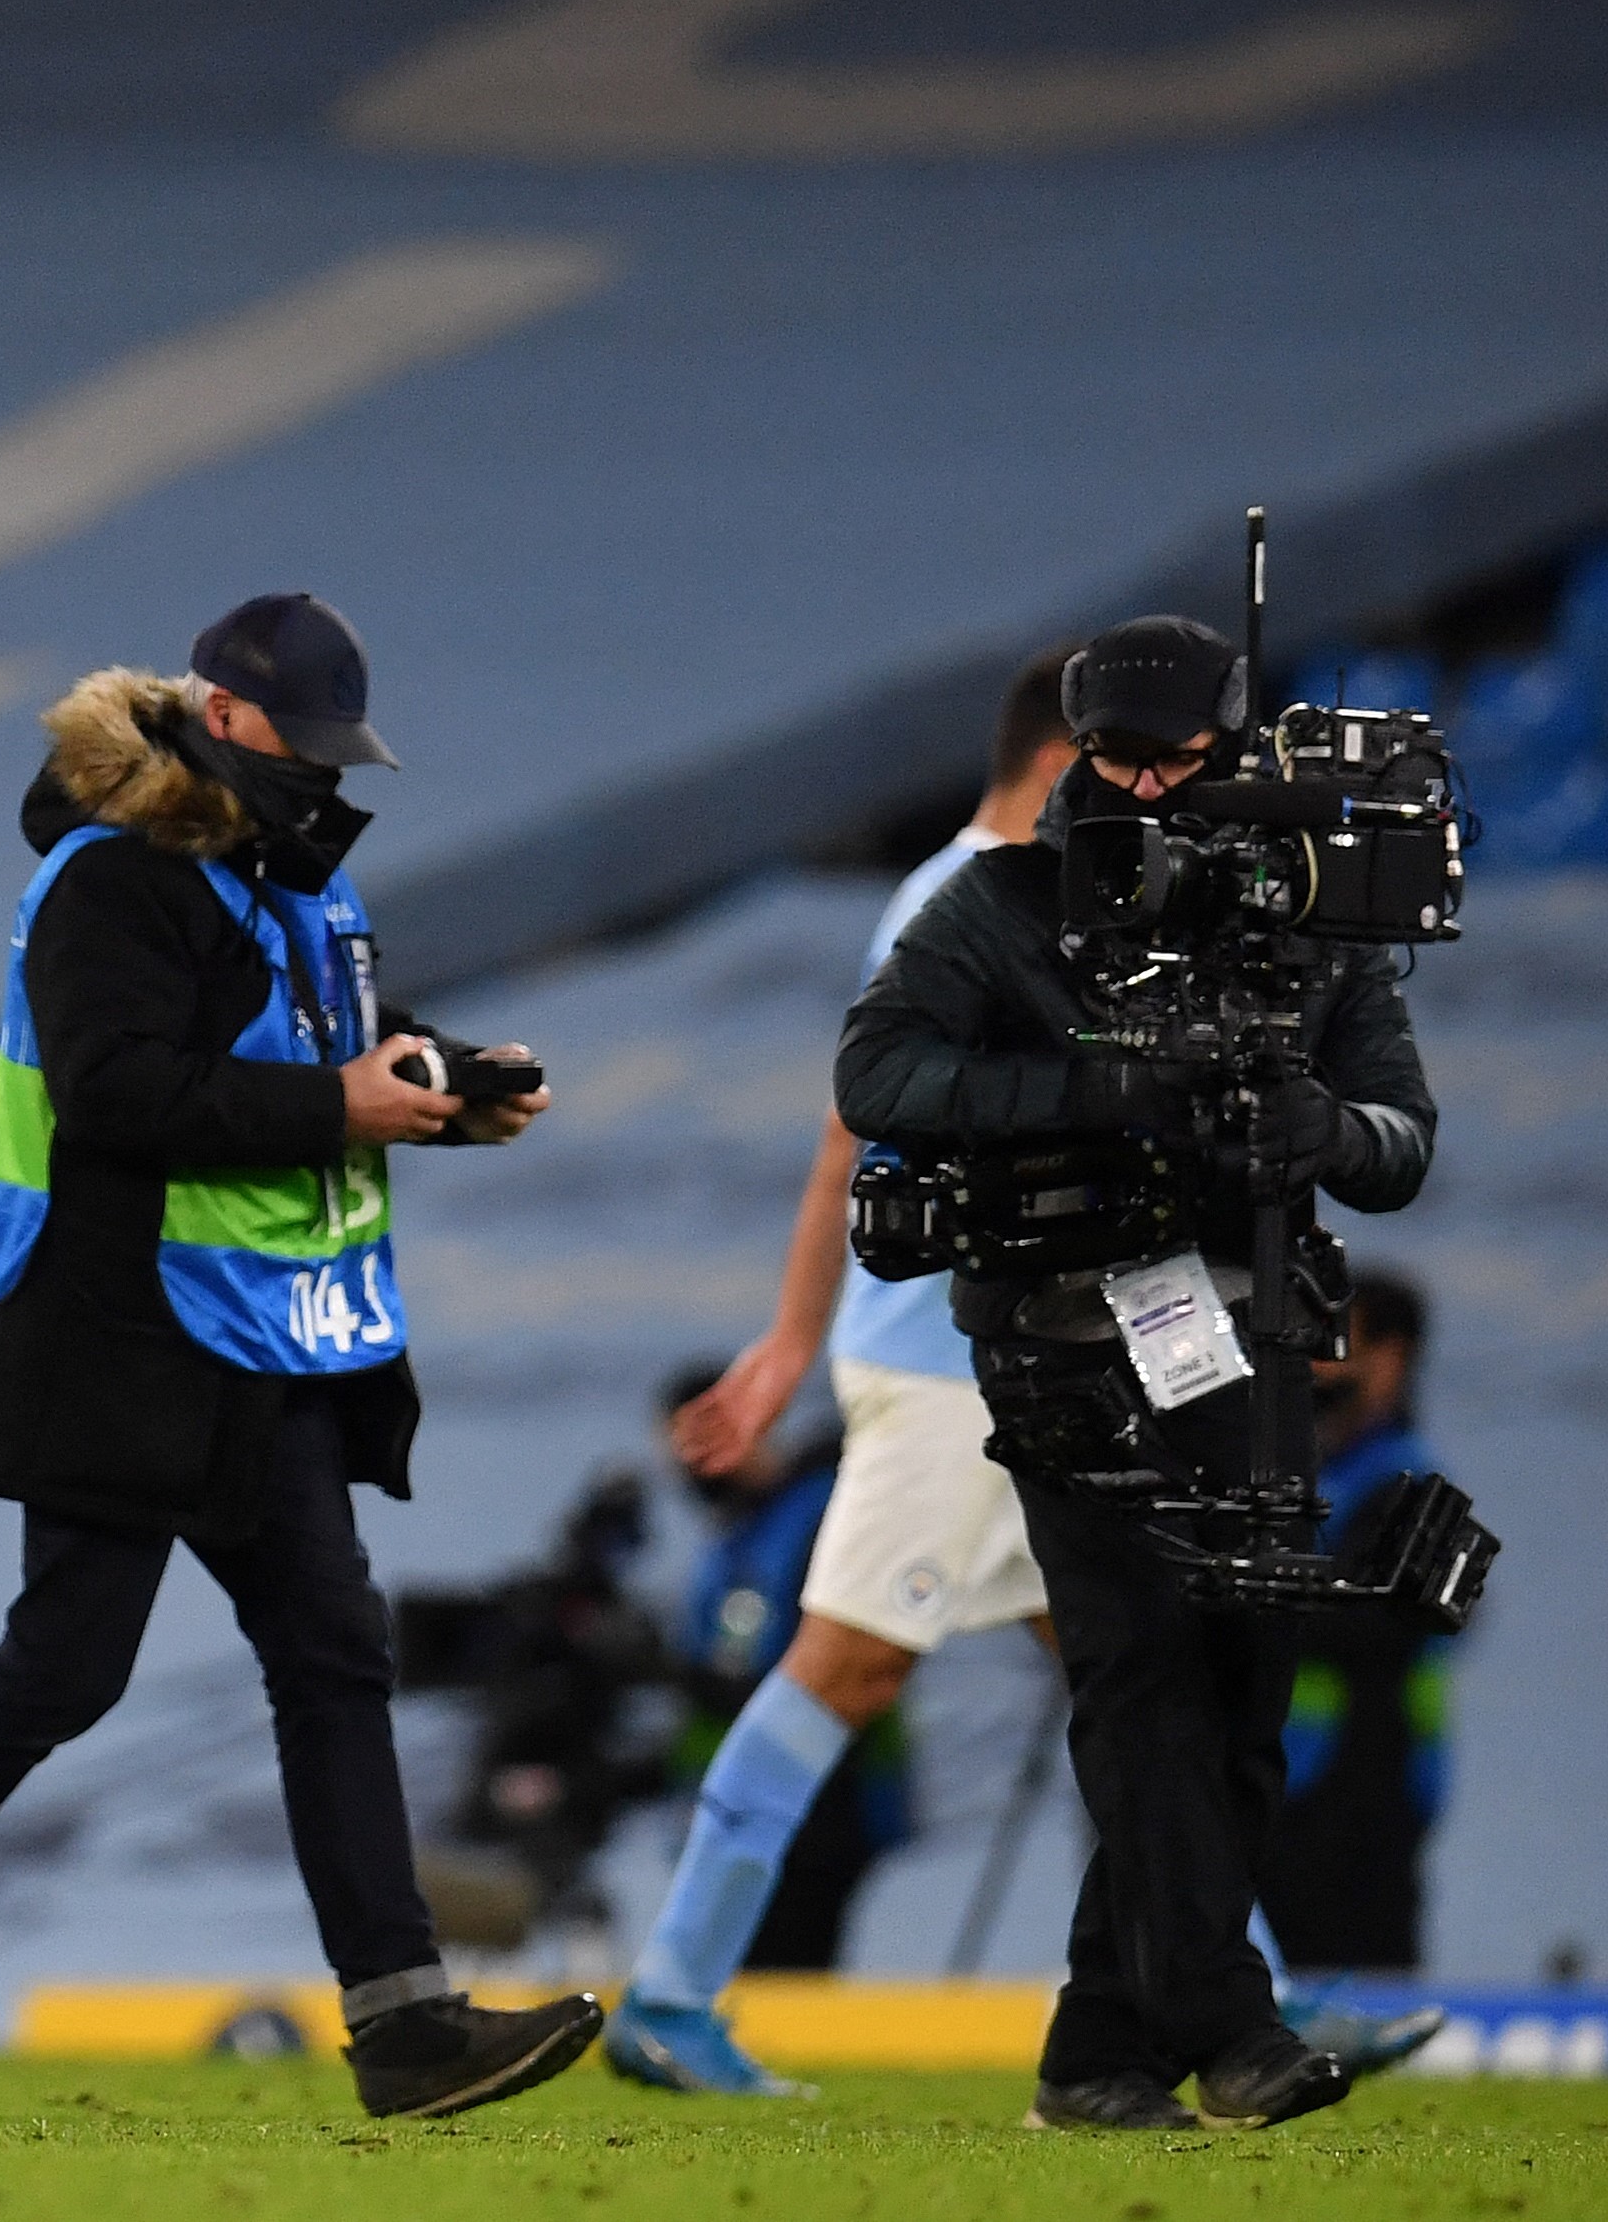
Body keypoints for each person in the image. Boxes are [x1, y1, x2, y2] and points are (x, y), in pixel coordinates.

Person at [0, 594, 606, 2123]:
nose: (325, 774)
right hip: (115, 1336)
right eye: (305, 739)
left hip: (250, 1338)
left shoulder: (254, 876)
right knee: (67, 1669)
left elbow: (311, 1037)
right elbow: (116, 1096)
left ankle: (404, 2025)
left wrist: (442, 1079)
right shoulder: (116, 879)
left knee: (334, 1655)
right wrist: (344, 1106)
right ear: (220, 713)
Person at [836, 614, 1436, 2133]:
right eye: (1118, 758)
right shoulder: (1002, 901)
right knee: (1138, 1673)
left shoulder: (1316, 915)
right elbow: (878, 1073)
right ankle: (1230, 2032)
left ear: (1237, 750)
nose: (1148, 788)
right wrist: (1099, 1087)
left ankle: (1097, 2059)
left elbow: (1402, 1139)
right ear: (1077, 753)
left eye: (1177, 759)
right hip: (1062, 1343)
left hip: (1256, 1347)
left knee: (1236, 1699)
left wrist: (1321, 1135)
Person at [604, 647, 1077, 2095]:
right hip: (944, 1360)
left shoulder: (1002, 900)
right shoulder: (962, 903)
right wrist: (792, 1345)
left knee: (1137, 1676)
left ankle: (1255, 1996)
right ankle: (675, 1994)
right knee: (849, 1663)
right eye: (1142, 768)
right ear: (1067, 763)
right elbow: (848, 1135)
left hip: (1008, 1357)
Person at [648, 1363, 913, 1980]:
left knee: (787, 1970)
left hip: (822, 1792)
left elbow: (804, 1672)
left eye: (701, 1439)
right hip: (750, 1798)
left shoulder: (820, 1511)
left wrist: (668, 1671)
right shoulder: (741, 1527)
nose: (687, 1463)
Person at [1260, 1269, 1455, 1975]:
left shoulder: (1412, 1486)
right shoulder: (1301, 1478)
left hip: (1365, 1785)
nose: (1309, 1362)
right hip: (1282, 1783)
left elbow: (1382, 1624)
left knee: (1363, 1974)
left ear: (1390, 1359)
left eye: (1331, 1341)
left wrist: (1254, 1597)